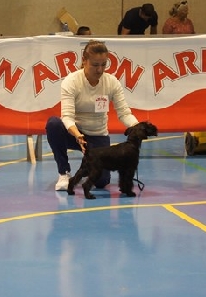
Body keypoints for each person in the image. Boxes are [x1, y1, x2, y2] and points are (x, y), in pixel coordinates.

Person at [45, 40, 140, 191]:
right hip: (75, 134)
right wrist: (78, 135)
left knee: (102, 182)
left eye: (104, 64)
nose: (100, 69)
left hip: (97, 135)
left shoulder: (112, 83)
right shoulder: (71, 81)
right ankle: (64, 172)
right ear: (84, 60)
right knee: (53, 124)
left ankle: (84, 168)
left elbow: (124, 113)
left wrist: (137, 126)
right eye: (95, 65)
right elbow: (67, 117)